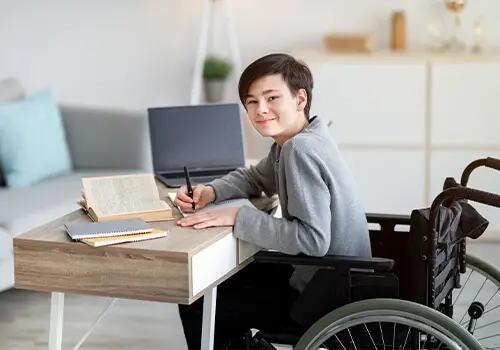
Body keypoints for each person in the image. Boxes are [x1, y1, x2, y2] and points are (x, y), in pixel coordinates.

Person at [174, 53, 371, 349]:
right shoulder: (300, 138)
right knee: (214, 283)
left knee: (197, 297)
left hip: (324, 294)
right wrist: (211, 192)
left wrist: (237, 217)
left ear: (300, 99)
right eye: (252, 102)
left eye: (271, 98)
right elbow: (256, 178)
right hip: (329, 276)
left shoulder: (299, 150)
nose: (261, 110)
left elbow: (313, 239)